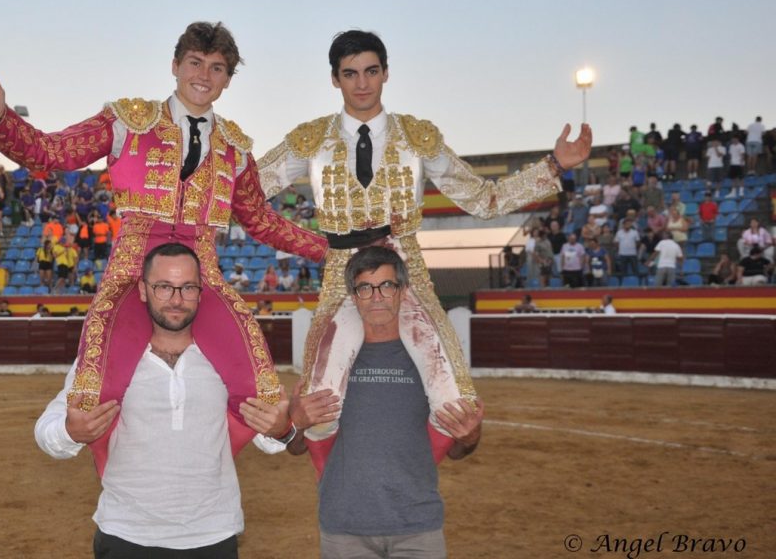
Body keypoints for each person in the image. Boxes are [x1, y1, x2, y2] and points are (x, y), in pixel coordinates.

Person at [0, 21, 327, 419]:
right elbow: (53, 153)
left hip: (203, 280)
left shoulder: (236, 149)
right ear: (175, 65)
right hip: (131, 276)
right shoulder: (126, 121)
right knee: (94, 393)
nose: (203, 76)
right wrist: (1, 122)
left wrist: (330, 247)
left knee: (261, 388)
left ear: (227, 80)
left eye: (217, 68)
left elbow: (262, 221)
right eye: (195, 62)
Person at [258, 30, 591, 442]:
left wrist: (554, 165)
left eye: (371, 71)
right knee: (317, 408)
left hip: (404, 270)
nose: (362, 83)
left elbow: (483, 199)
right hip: (343, 274)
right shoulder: (309, 140)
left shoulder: (418, 137)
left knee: (455, 403)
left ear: (386, 74)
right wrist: (302, 241)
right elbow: (245, 189)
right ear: (335, 79)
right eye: (350, 74)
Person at [34, 243, 296, 556]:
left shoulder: (232, 358)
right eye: (163, 287)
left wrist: (281, 429)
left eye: (187, 287)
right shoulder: (106, 357)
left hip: (212, 533)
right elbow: (46, 430)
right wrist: (70, 432)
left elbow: (269, 439)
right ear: (143, 290)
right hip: (125, 533)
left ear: (201, 292)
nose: (176, 299)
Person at [286, 247, 482, 559]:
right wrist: (295, 423)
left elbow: (458, 450)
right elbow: (296, 447)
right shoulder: (326, 365)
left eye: (387, 286)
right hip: (344, 528)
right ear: (353, 296)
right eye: (365, 287)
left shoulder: (431, 362)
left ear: (403, 292)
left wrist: (470, 438)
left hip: (418, 527)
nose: (376, 297)